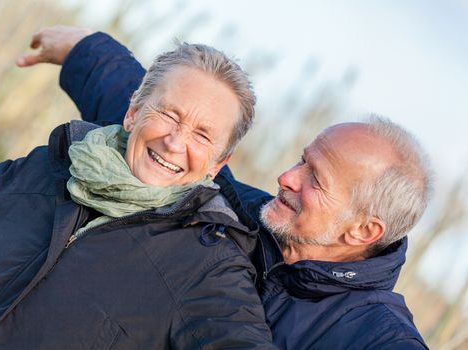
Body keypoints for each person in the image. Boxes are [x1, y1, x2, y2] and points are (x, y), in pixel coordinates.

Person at [30, 26, 433, 349]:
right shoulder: (237, 214)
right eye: (301, 160)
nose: (287, 178)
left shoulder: (376, 336)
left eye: (316, 180)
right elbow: (168, 129)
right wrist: (85, 50)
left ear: (364, 230)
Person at [0, 30, 277, 349]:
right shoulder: (51, 167)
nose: (175, 143)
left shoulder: (209, 269)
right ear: (133, 112)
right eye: (167, 114)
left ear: (219, 162)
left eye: (202, 135)